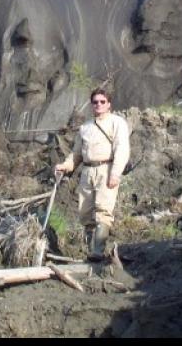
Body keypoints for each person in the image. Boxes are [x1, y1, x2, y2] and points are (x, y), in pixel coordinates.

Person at [55, 87, 130, 261]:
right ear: (91, 104)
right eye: (95, 102)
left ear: (108, 104)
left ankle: (98, 251)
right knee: (85, 212)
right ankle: (91, 251)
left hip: (106, 168)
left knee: (103, 210)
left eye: (102, 101)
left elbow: (122, 149)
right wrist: (65, 166)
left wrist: (115, 173)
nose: (98, 105)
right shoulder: (85, 128)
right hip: (87, 171)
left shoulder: (117, 123)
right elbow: (77, 153)